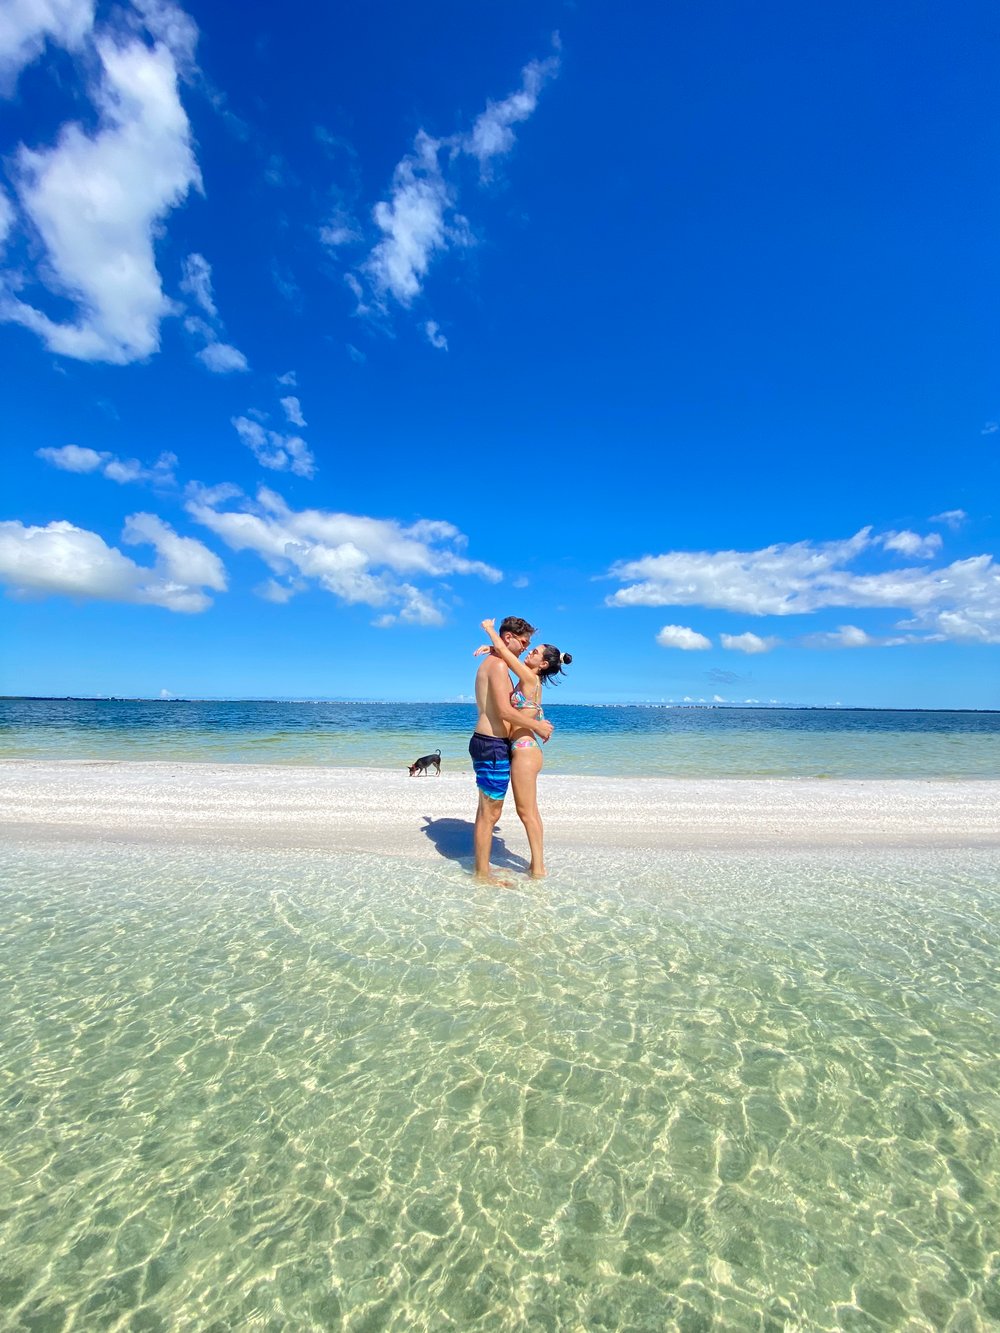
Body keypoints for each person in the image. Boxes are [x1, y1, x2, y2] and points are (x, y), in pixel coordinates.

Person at [477, 618, 571, 878]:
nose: (530, 651)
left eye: (536, 651)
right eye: (531, 647)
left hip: (525, 750)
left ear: (542, 664)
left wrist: (490, 633)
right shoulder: (531, 681)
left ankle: (538, 868)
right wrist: (494, 648)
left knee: (526, 812)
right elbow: (507, 657)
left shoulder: (529, 677)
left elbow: (508, 654)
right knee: (528, 811)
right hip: (525, 748)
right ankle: (536, 865)